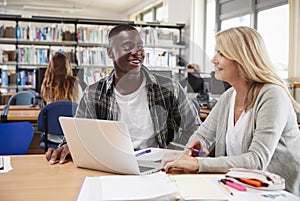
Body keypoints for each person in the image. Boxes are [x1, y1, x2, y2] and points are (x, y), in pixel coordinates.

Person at [162, 26, 300, 196]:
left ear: (241, 58)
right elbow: (204, 135)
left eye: (221, 54)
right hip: (237, 188)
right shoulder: (229, 96)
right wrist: (196, 146)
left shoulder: (272, 95)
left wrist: (198, 164)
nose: (213, 60)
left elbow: (257, 160)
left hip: (277, 193)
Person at [45, 24, 201, 165]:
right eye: (127, 46)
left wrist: (172, 153)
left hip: (158, 167)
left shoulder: (169, 87)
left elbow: (195, 129)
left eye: (140, 46)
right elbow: (78, 136)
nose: (136, 52)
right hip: (111, 166)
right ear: (110, 52)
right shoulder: (93, 94)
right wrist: (67, 147)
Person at [40, 51, 83, 145]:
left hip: (51, 137)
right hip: (71, 137)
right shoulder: (76, 85)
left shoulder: (47, 86)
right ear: (67, 66)